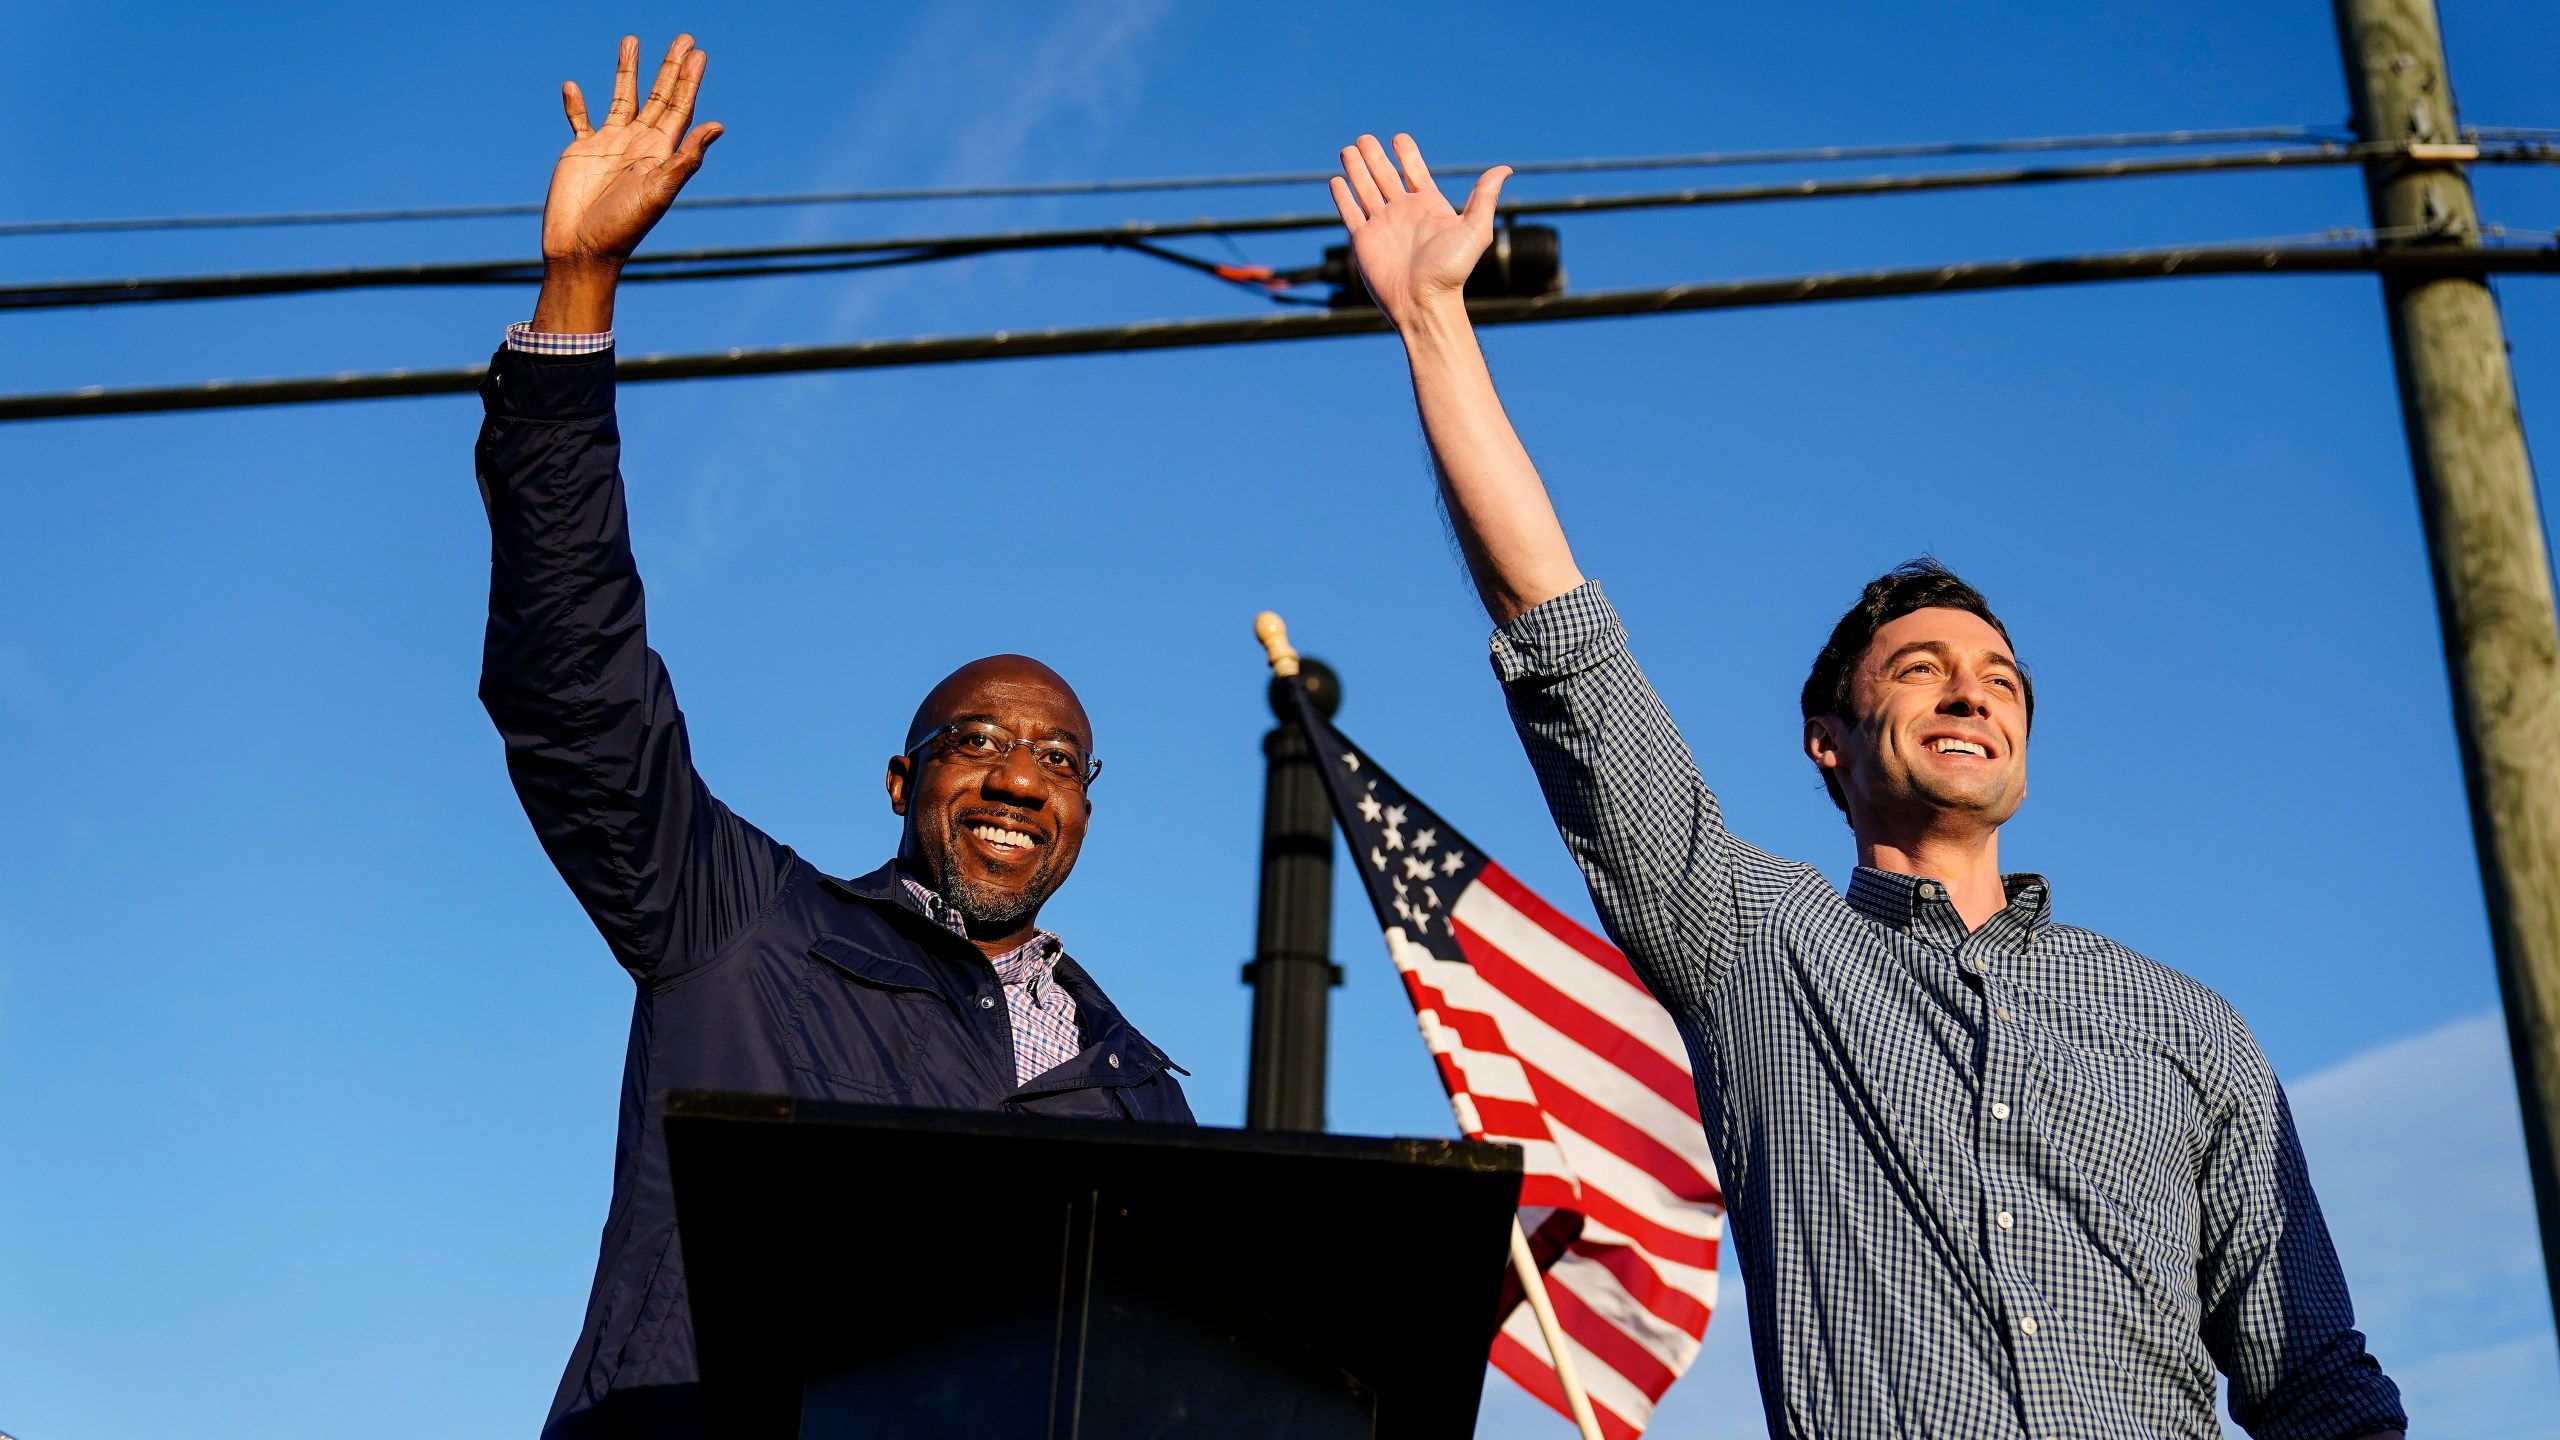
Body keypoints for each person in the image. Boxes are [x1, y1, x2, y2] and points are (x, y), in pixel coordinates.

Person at [1327, 131, 2406, 1440]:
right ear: (1827, 738)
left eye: (2001, 679)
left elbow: (2320, 1384)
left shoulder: (2191, 1032)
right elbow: (1562, 643)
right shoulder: (1753, 943)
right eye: (1923, 670)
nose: (1970, 692)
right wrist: (1436, 324)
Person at [475, 35, 1193, 1439]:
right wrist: (579, 295)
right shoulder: (741, 929)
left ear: (1087, 814)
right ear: (902, 779)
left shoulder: (1137, 1095)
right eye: (975, 741)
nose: (1014, 777)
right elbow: (576, 687)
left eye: (1056, 761)